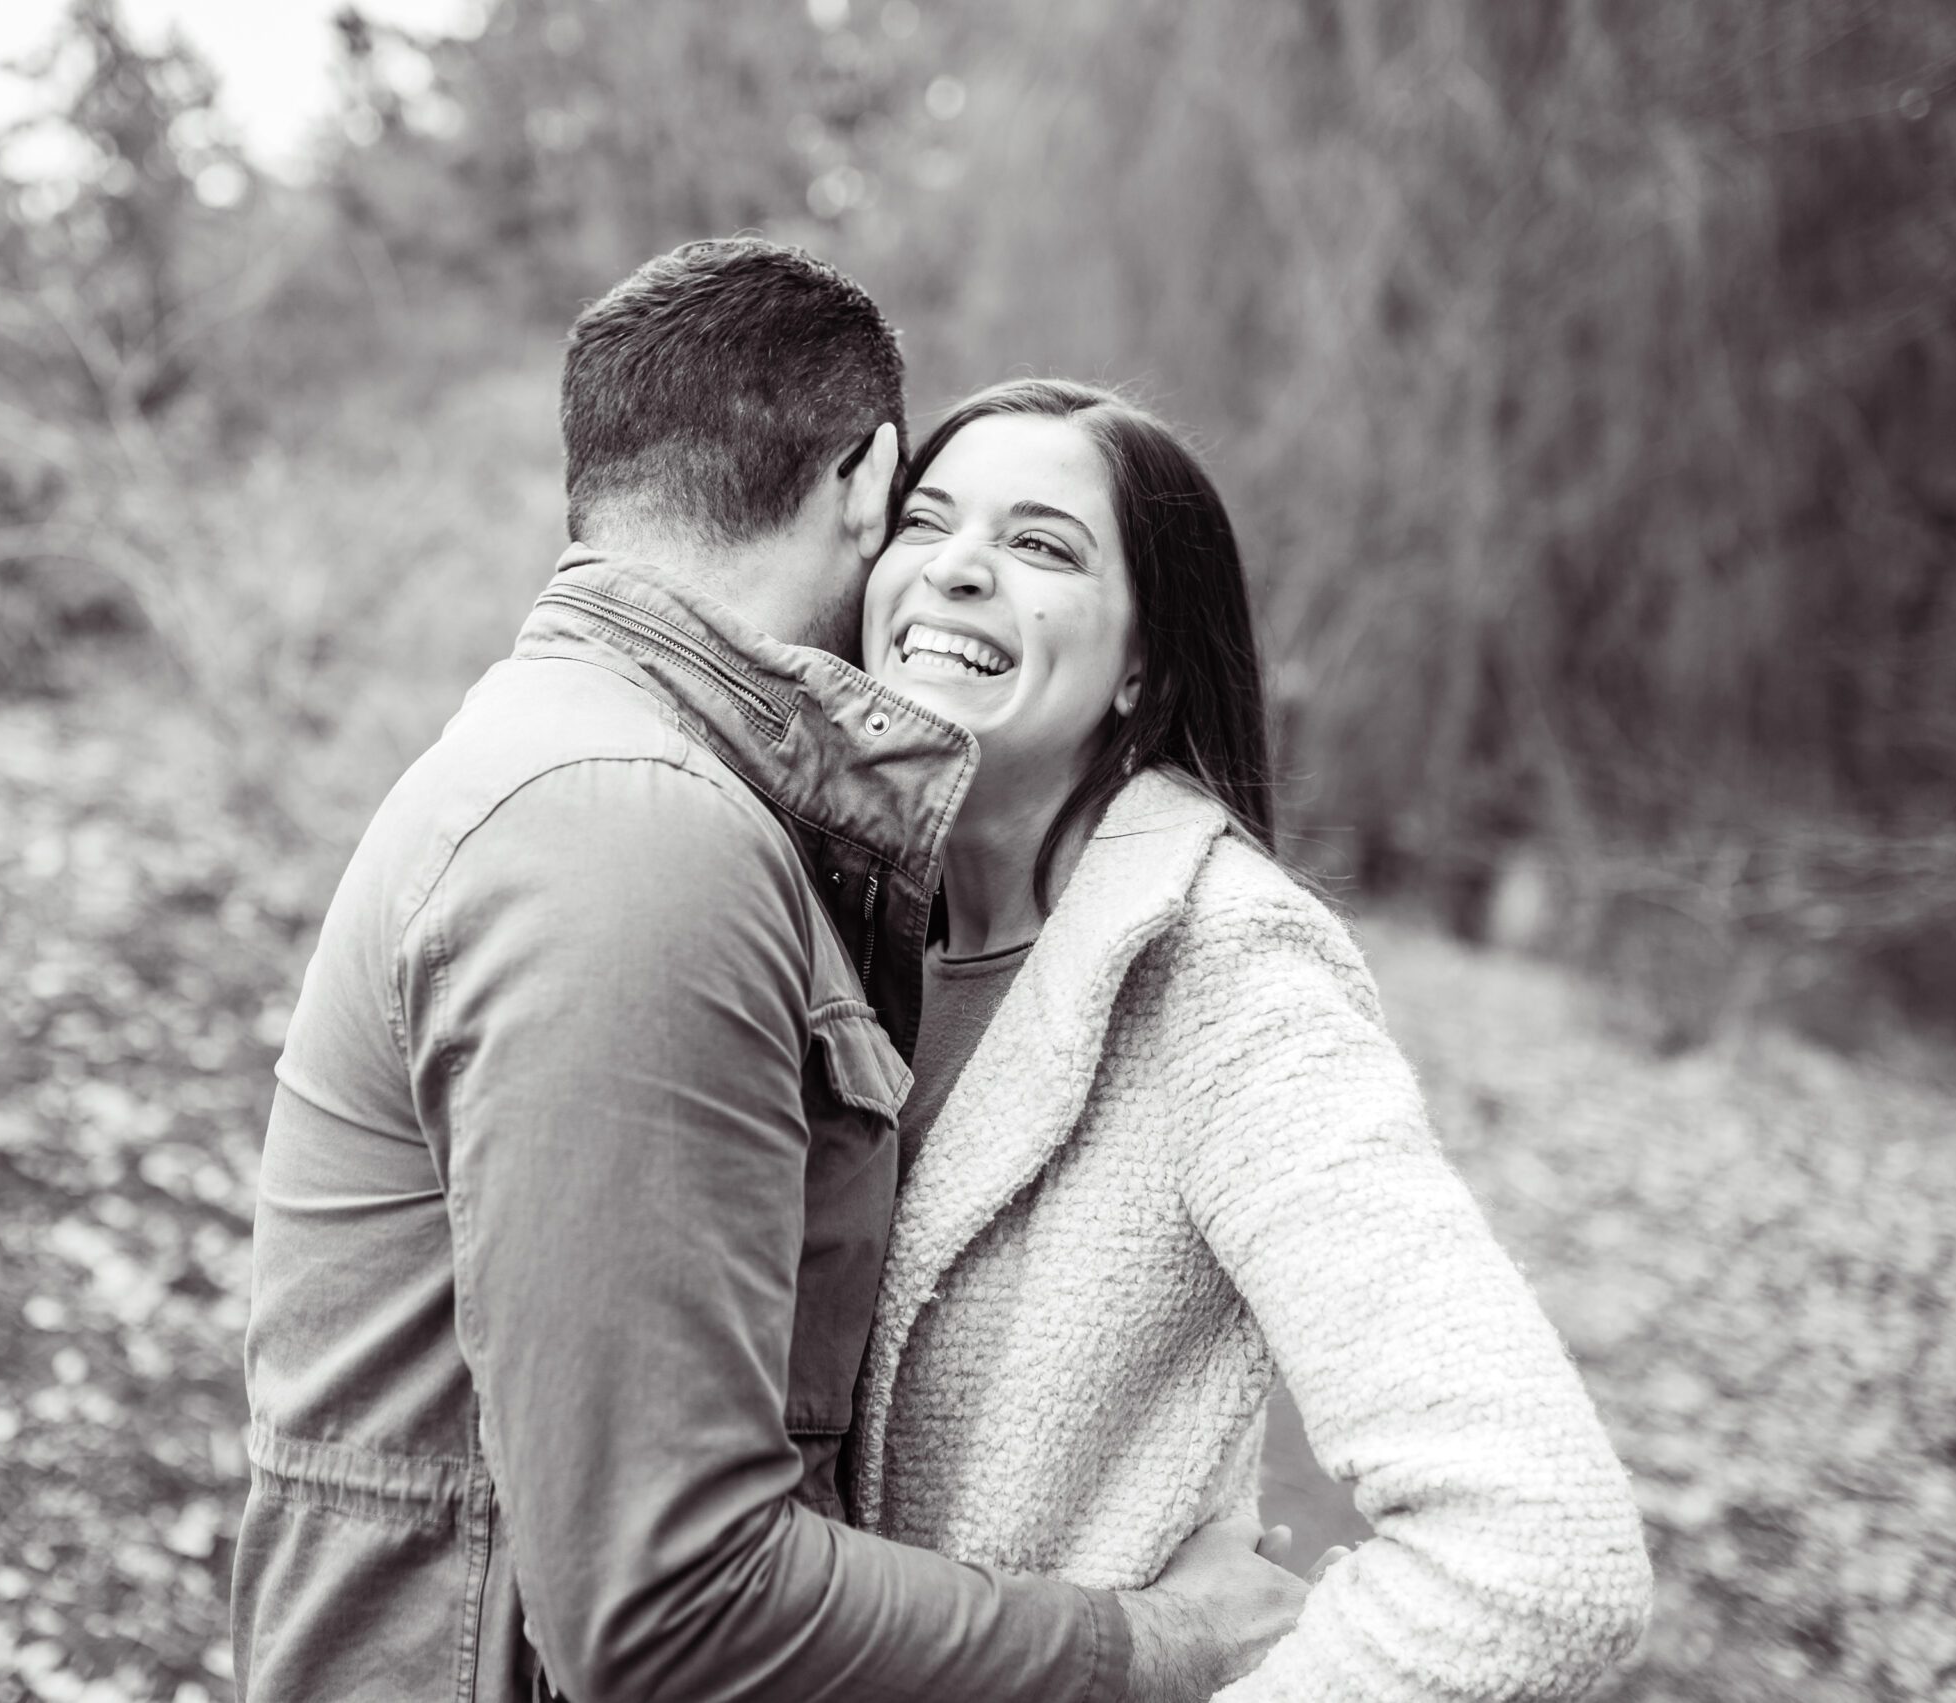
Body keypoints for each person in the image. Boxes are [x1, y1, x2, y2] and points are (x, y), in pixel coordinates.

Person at [231, 243, 1310, 1703]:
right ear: (866, 482)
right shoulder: (633, 831)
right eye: (925, 510)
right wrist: (1150, 1647)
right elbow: (669, 1608)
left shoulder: (588, 770)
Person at [848, 378, 1658, 1699]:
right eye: (924, 520)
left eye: (1041, 544)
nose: (955, 567)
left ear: (1144, 670)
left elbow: (1537, 1552)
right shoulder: (827, 939)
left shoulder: (1222, 970)